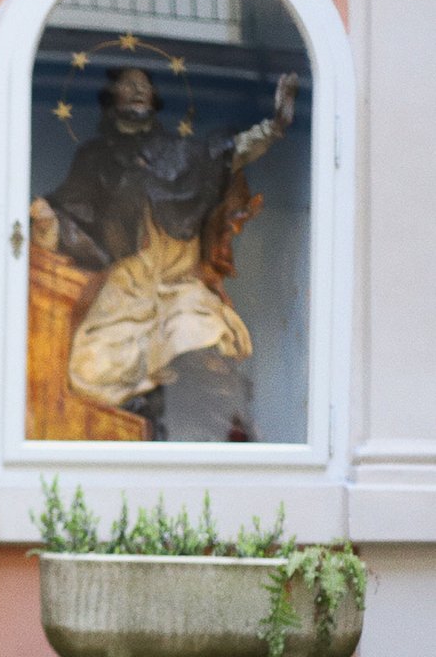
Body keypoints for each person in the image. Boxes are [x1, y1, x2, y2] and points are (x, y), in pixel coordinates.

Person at [30, 66, 297, 441]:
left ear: (156, 100)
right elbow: (70, 214)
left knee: (197, 339)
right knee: (90, 367)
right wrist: (45, 223)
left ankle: (225, 435)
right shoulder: (94, 160)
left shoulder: (181, 153)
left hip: (178, 281)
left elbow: (231, 154)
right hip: (127, 286)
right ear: (111, 100)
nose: (138, 89)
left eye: (145, 85)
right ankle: (146, 414)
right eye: (128, 84)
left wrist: (274, 127)